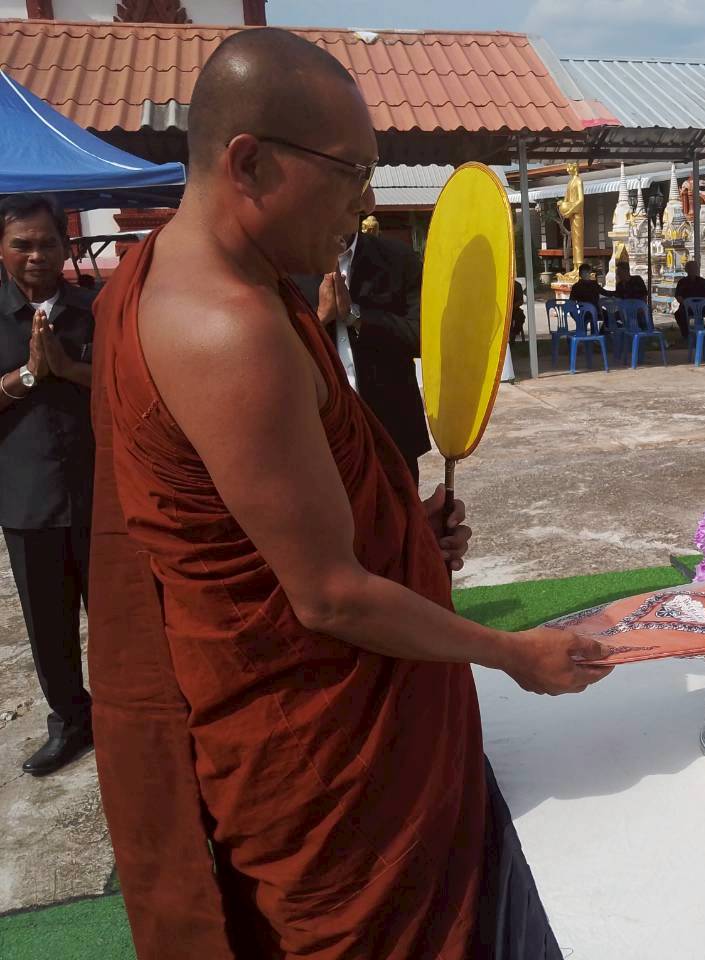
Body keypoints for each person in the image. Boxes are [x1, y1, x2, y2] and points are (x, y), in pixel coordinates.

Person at [88, 28, 611, 959]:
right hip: (319, 745)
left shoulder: (176, 270)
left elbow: (264, 514)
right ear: (249, 163)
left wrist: (399, 530)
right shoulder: (229, 329)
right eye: (351, 173)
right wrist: (511, 653)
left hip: (322, 701)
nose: (367, 202)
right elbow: (327, 596)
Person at [0, 194, 96, 777]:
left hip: (100, 494)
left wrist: (69, 368)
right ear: (1, 249)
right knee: (48, 625)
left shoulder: (96, 309)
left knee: (117, 619)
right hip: (27, 498)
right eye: (22, 245)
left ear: (66, 245)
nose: (36, 255)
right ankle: (71, 722)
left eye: (48, 243)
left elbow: (126, 382)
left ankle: (131, 717)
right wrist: (28, 376)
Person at [295, 225, 432, 484]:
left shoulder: (397, 258)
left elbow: (422, 336)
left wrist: (356, 316)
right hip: (319, 436)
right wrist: (320, 317)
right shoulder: (289, 264)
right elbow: (273, 352)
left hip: (390, 433)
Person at [673, 260, 705, 338]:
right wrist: (687, 304)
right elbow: (678, 296)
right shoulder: (682, 282)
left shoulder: (703, 281)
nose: (693, 270)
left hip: (702, 307)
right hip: (687, 307)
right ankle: (686, 335)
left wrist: (701, 304)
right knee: (678, 314)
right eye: (690, 268)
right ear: (686, 270)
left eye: (694, 268)